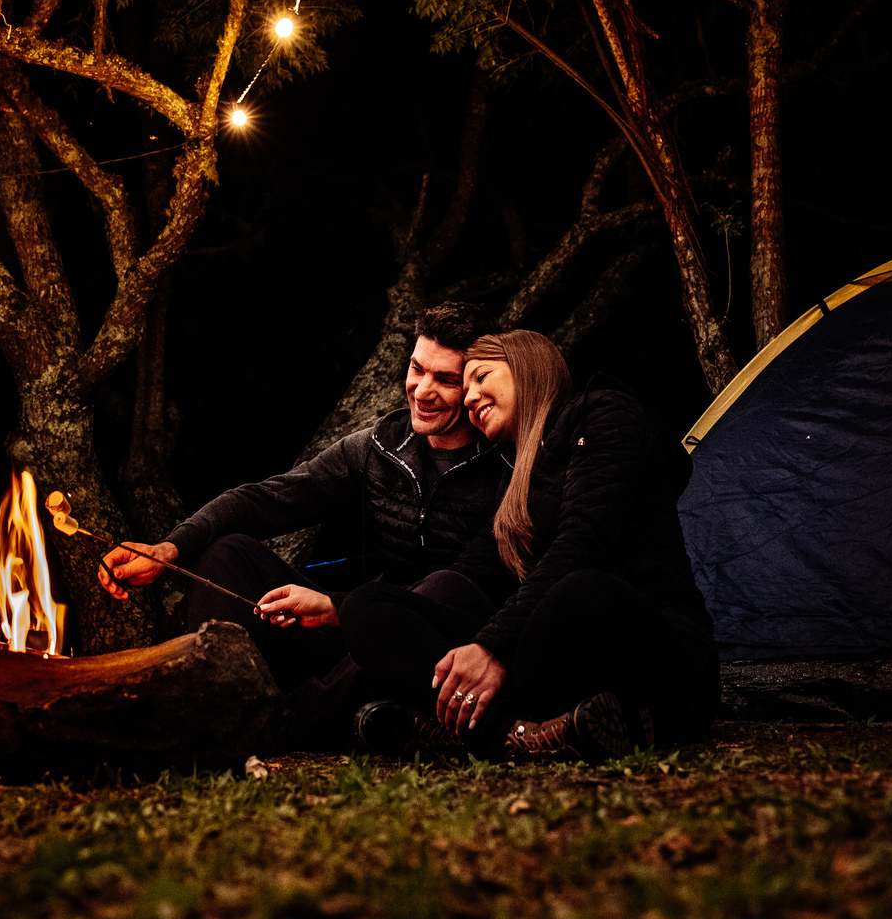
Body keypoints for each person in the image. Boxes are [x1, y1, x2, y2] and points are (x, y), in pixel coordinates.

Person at [97, 302, 512, 747]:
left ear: (476, 385)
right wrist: (168, 549)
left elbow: (480, 584)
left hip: (448, 653)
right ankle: (210, 703)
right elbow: (265, 499)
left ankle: (284, 724)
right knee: (229, 554)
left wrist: (337, 607)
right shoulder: (381, 448)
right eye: (417, 369)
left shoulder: (510, 462)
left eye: (445, 379)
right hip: (361, 637)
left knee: (444, 587)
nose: (422, 390)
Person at [340, 329, 720, 763]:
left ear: (526, 368)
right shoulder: (518, 476)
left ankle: (464, 734)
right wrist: (338, 605)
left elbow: (583, 542)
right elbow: (469, 572)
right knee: (368, 606)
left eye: (481, 377)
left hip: (651, 656)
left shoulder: (604, 413)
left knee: (580, 589)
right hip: (555, 666)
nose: (469, 398)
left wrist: (493, 647)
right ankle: (517, 733)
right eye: (466, 389)